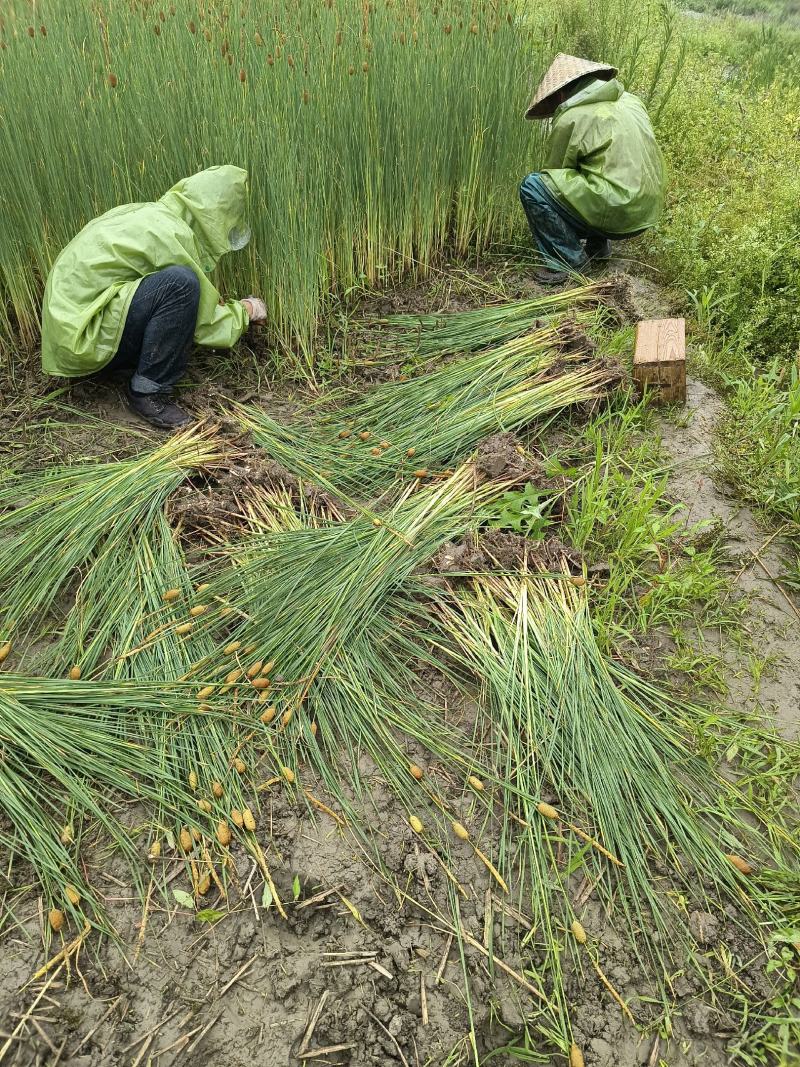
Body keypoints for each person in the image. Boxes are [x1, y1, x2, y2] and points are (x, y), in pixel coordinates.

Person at [41, 165, 267, 430]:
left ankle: (124, 367)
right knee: (182, 284)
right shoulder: (172, 234)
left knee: (177, 286)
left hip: (70, 333)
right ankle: (148, 392)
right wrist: (247, 310)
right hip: (84, 340)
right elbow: (206, 326)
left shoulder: (149, 215)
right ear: (217, 216)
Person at [520, 54, 666, 285]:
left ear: (560, 94)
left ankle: (569, 262)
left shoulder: (572, 117)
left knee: (534, 186)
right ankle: (599, 248)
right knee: (596, 173)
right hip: (646, 209)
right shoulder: (631, 101)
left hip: (617, 209)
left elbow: (555, 175)